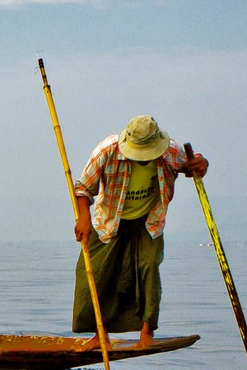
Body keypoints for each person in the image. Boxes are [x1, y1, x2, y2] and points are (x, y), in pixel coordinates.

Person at [72, 115, 207, 348]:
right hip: (109, 221)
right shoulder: (107, 150)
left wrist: (201, 164)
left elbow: (192, 166)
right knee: (92, 272)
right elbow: (83, 189)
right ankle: (99, 335)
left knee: (148, 267)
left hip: (148, 221)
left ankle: (147, 333)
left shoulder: (170, 150)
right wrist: (83, 218)